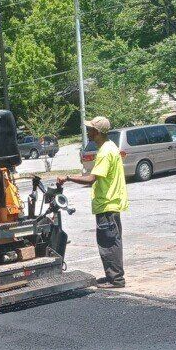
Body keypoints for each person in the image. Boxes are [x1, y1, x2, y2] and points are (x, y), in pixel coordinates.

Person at [57, 116, 128, 288]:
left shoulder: (105, 152)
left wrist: (67, 177)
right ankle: (112, 276)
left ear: (97, 132)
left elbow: (91, 179)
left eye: (90, 130)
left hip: (106, 204)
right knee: (111, 241)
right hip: (112, 202)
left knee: (108, 243)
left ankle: (116, 279)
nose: (87, 132)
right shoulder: (110, 146)